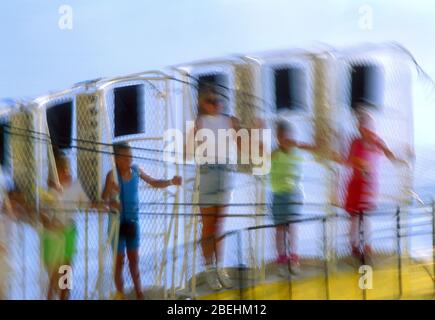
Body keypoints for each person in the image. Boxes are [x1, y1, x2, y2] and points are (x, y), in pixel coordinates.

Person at [102, 142, 182, 300]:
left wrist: (171, 181)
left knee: (134, 261)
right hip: (116, 223)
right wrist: (111, 198)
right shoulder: (111, 175)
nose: (129, 160)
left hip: (133, 222)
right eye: (125, 158)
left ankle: (140, 294)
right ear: (116, 159)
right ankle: (120, 295)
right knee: (119, 263)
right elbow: (102, 201)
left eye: (130, 157)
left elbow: (154, 182)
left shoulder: (136, 171)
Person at [341, 107, 406, 260]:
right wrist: (360, 163)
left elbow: (390, 154)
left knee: (365, 217)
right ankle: (355, 247)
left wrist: (401, 158)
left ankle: (367, 246)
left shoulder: (377, 141)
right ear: (360, 128)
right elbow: (349, 161)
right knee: (354, 218)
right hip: (356, 186)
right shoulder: (355, 142)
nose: (365, 130)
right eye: (362, 126)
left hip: (368, 187)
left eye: (367, 126)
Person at [40, 152, 103, 300]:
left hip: (69, 233)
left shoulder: (76, 186)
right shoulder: (48, 190)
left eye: (68, 168)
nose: (67, 172)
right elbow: (42, 215)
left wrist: (104, 205)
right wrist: (51, 223)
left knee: (65, 276)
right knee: (53, 278)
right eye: (63, 169)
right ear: (56, 171)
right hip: (51, 236)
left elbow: (87, 205)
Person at [270, 120, 316, 275]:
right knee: (280, 228)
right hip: (278, 195)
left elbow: (312, 147)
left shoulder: (296, 149)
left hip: (294, 194)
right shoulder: (274, 154)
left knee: (293, 228)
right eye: (280, 136)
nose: (285, 139)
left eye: (286, 136)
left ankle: (293, 258)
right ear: (277, 138)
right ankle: (282, 258)